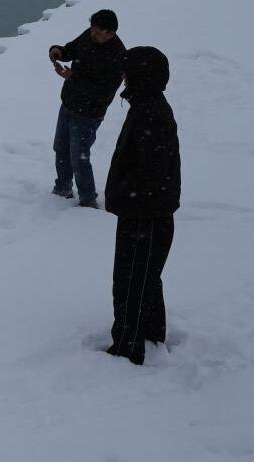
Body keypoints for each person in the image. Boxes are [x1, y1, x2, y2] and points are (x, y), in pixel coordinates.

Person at [103, 45, 181, 365]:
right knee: (144, 277)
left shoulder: (151, 112)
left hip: (145, 215)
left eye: (128, 70)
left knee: (131, 281)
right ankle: (151, 333)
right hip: (146, 213)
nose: (123, 76)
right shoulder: (148, 106)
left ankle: (126, 349)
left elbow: (151, 172)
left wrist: (125, 194)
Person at [47, 9, 125, 207]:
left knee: (79, 158)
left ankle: (88, 200)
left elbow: (102, 93)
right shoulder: (89, 36)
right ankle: (62, 188)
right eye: (92, 30)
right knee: (61, 149)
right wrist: (59, 51)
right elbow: (71, 49)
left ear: (111, 33)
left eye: (98, 32)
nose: (93, 34)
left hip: (88, 115)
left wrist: (72, 78)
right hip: (68, 105)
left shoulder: (118, 57)